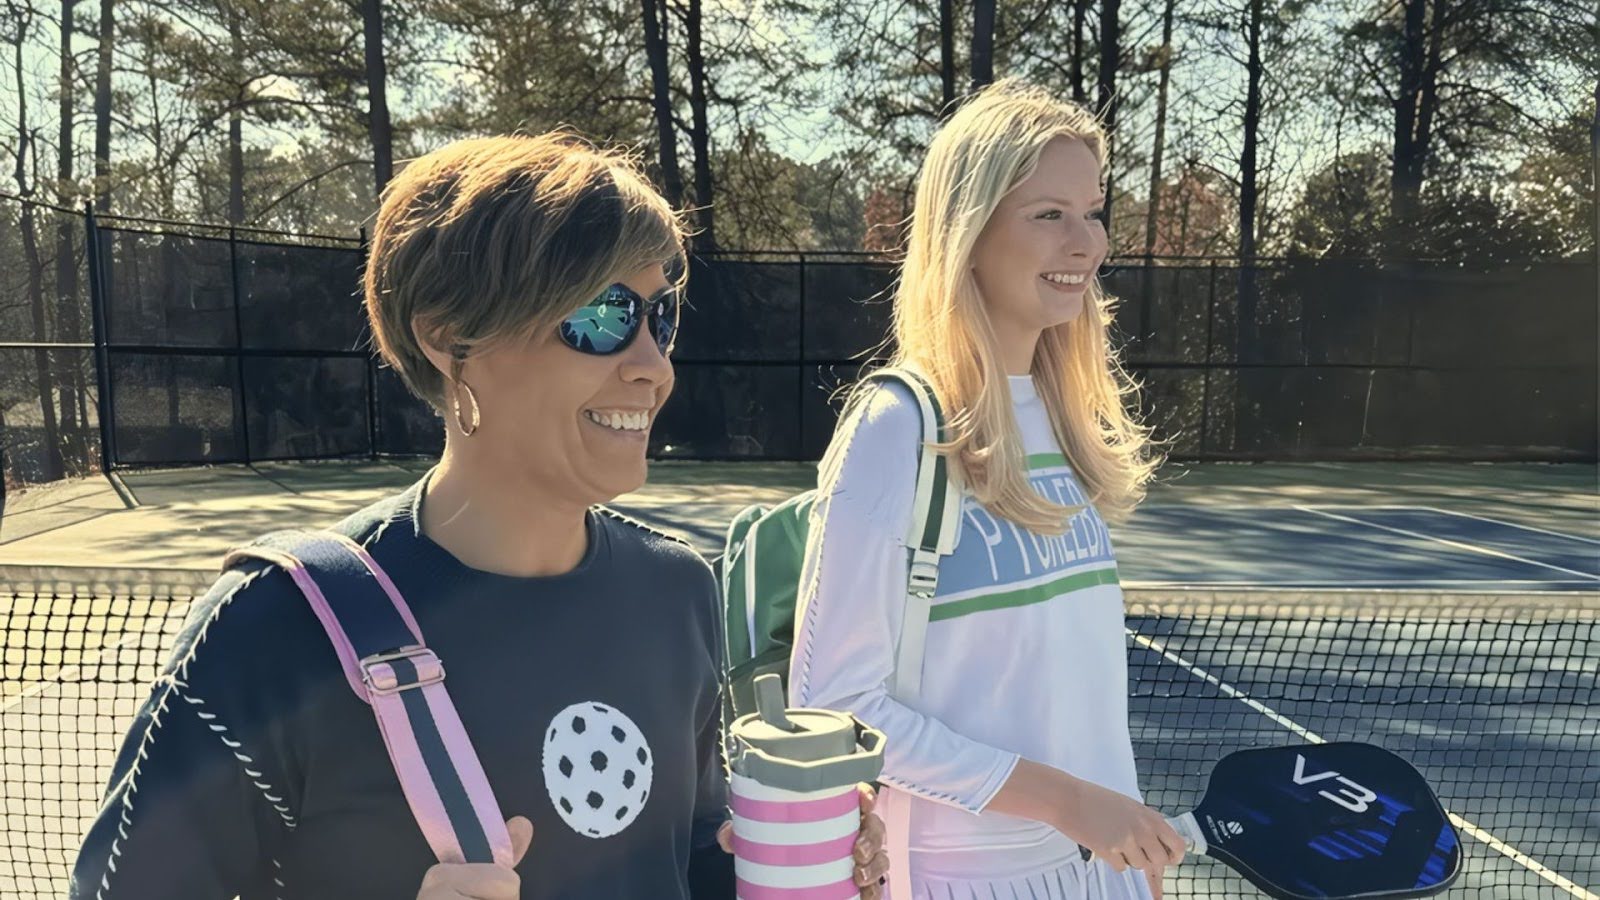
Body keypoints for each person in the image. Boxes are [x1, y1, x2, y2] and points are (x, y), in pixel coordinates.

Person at [70, 132, 888, 900]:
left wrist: (791, 857)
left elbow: (684, 852)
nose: (652, 367)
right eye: (602, 316)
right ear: (449, 337)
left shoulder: (678, 591)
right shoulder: (273, 631)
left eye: (660, 317)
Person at [788, 79, 1184, 899]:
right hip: (964, 880)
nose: (1087, 244)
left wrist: (1128, 862)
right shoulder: (899, 426)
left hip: (1101, 878)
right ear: (968, 233)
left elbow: (1080, 702)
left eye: (1093, 211)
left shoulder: (1066, 425)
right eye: (1048, 215)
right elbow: (836, 703)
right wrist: (1070, 804)